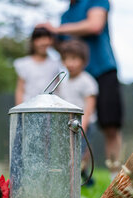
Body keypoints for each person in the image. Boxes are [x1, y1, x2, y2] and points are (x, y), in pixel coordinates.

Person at [39, 0, 124, 179]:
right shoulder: (66, 14)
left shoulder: (96, 1)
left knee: (110, 126)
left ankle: (115, 176)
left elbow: (95, 25)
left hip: (102, 70)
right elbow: (64, 48)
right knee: (75, 126)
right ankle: (80, 172)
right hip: (74, 79)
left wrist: (57, 29)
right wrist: (47, 36)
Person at [56, 39, 98, 186]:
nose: (70, 63)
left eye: (74, 59)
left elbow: (90, 105)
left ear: (83, 61)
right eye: (66, 59)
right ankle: (81, 174)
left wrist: (83, 125)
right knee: (69, 151)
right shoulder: (63, 81)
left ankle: (74, 179)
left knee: (79, 152)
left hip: (83, 123)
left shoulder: (87, 81)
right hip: (68, 123)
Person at [13, 27, 61, 105]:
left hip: (50, 107)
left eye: (46, 38)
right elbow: (20, 90)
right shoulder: (24, 64)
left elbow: (58, 88)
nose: (43, 42)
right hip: (29, 107)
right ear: (33, 42)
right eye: (39, 39)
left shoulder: (55, 64)